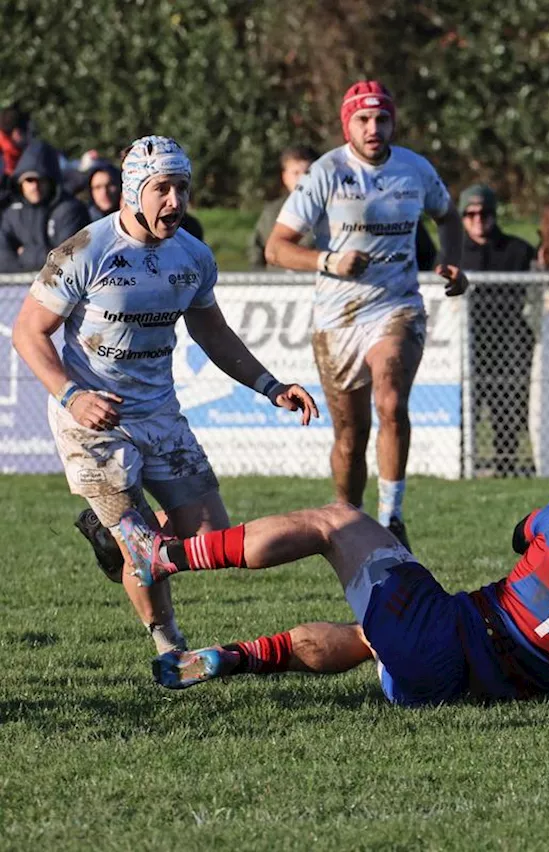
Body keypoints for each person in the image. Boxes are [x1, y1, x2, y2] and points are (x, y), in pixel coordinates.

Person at [12, 135, 318, 655]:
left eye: (183, 188)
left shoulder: (193, 255)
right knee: (143, 551)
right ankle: (169, 647)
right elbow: (27, 332)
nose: (175, 201)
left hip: (161, 415)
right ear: (133, 192)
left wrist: (271, 385)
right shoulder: (84, 250)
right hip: (92, 422)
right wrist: (72, 396)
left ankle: (111, 530)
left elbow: (213, 333)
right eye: (163, 189)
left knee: (210, 534)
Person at [127, 452, 549, 705]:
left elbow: (520, 537)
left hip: (438, 637)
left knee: (337, 521)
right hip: (454, 694)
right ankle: (238, 657)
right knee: (371, 637)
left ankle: (168, 556)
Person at [265, 80, 468, 549]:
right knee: (350, 437)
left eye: (382, 118)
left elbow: (449, 217)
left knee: (392, 401)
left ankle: (392, 517)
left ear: (393, 122)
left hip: (397, 306)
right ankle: (348, 523)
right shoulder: (326, 172)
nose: (374, 128)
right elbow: (277, 247)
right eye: (363, 119)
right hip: (338, 319)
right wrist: (327, 261)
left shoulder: (414, 169)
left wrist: (452, 261)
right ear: (347, 124)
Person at [458, 184, 537, 477]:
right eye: (470, 213)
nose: (478, 219)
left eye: (485, 213)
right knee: (466, 409)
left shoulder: (518, 250)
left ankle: (506, 465)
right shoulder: (450, 252)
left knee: (508, 410)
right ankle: (462, 467)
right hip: (467, 345)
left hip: (509, 343)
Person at [0, 139, 91, 272]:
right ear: (20, 183)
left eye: (41, 179)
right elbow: (2, 258)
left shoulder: (71, 210)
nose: (35, 186)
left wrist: (25, 254)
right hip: (13, 291)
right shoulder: (11, 214)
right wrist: (47, 253)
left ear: (51, 181)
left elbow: (68, 260)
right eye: (29, 180)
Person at [249, 145, 319, 267]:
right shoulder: (271, 212)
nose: (302, 179)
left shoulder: (331, 210)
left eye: (307, 172)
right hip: (277, 283)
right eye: (296, 173)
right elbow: (257, 251)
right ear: (285, 177)